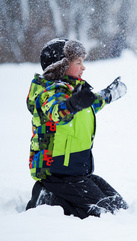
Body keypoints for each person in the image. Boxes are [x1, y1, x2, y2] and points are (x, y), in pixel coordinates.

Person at [25, 38, 128, 219]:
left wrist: (109, 94)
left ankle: (58, 196)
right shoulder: (49, 92)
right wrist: (72, 105)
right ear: (61, 66)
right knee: (101, 213)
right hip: (56, 173)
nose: (83, 67)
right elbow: (57, 112)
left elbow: (92, 103)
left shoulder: (75, 90)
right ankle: (46, 196)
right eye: (78, 62)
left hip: (78, 171)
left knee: (118, 206)